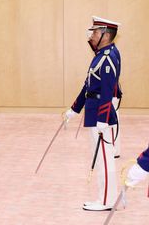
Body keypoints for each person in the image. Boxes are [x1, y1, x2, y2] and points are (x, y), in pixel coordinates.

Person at [65, 16, 121, 211]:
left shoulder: (107, 58)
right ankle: (109, 197)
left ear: (105, 35)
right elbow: (89, 86)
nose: (92, 35)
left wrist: (102, 119)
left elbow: (106, 90)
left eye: (96, 32)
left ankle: (106, 200)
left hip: (100, 115)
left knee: (104, 160)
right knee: (102, 159)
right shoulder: (102, 54)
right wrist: (74, 109)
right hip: (95, 112)